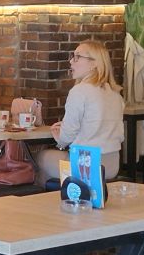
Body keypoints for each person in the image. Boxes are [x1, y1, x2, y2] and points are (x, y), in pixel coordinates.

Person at [40, 40, 125, 183]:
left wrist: (60, 138)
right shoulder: (115, 94)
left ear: (94, 63)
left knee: (40, 158)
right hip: (112, 165)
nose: (71, 61)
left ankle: (64, 194)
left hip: (86, 166)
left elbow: (67, 135)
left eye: (77, 57)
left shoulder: (79, 91)